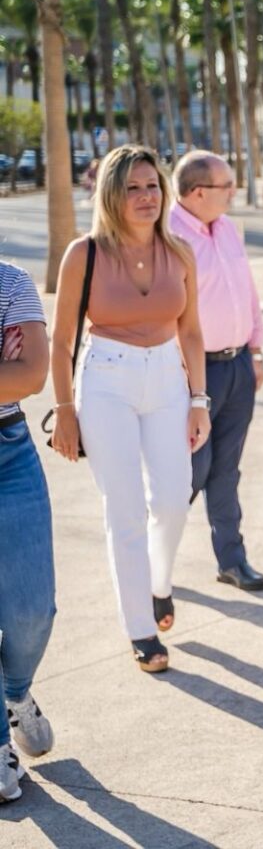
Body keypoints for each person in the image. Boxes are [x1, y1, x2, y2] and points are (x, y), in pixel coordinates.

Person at [48, 145, 210, 675]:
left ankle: (159, 584)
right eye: (133, 188)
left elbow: (190, 331)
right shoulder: (84, 254)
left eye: (152, 186)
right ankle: (140, 629)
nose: (145, 197)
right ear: (112, 195)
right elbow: (62, 338)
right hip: (106, 381)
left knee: (172, 500)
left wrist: (198, 401)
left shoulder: (180, 251)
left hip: (167, 379)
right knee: (124, 511)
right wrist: (65, 410)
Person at [169, 151, 263, 593]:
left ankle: (232, 560)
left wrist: (256, 349)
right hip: (192, 373)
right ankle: (154, 564)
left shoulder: (227, 228)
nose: (234, 191)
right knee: (191, 471)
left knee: (226, 470)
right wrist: (190, 383)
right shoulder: (168, 236)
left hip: (238, 366)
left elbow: (246, 290)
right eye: (226, 186)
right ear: (197, 193)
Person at [0, 261, 57, 802]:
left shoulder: (9, 282)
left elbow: (30, 375)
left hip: (8, 452)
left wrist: (10, 374)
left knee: (31, 611)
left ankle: (15, 693)